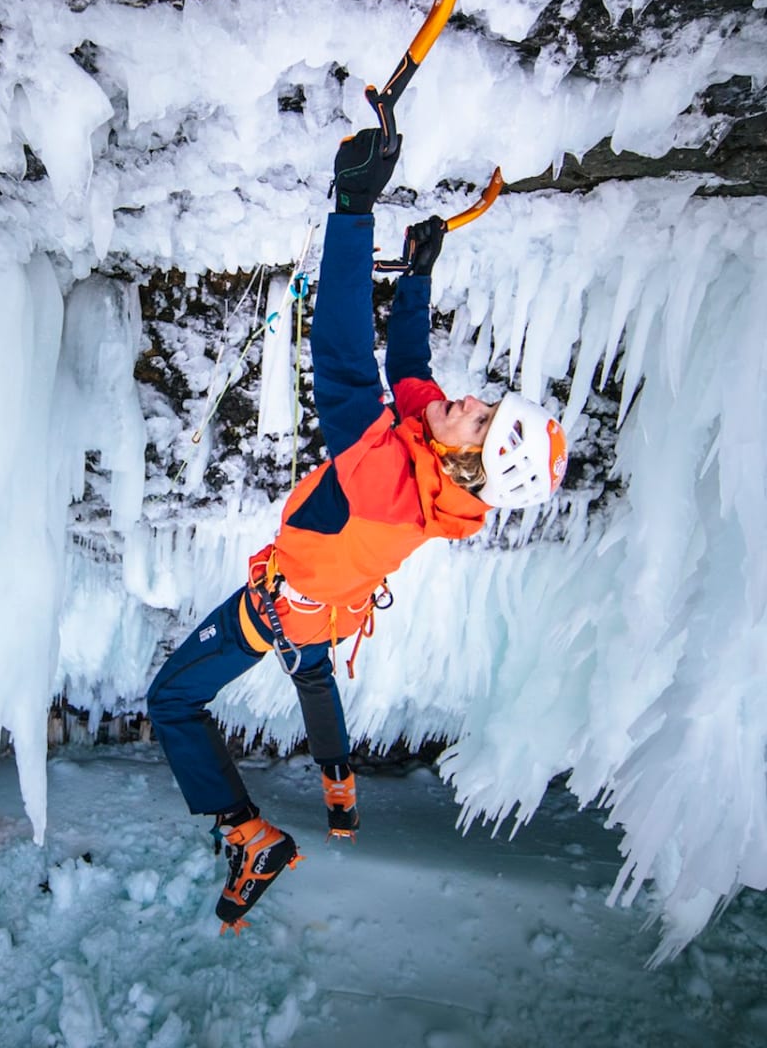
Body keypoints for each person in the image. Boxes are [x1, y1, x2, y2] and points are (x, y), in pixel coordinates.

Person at [147, 128, 569, 934]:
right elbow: (410, 373)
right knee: (311, 673)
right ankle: (338, 784)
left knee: (170, 701)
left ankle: (248, 834)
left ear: (472, 464)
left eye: (480, 421)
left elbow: (341, 357)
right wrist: (415, 279)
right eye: (485, 407)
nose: (468, 402)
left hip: (283, 601)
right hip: (325, 605)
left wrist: (352, 210)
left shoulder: (385, 481)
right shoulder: (435, 466)